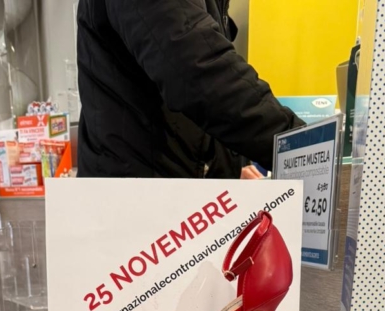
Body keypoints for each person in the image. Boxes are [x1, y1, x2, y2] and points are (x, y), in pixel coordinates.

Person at [75, 0, 302, 178]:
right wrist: (302, 148)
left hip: (161, 193)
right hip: (140, 203)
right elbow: (198, 75)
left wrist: (228, 168)